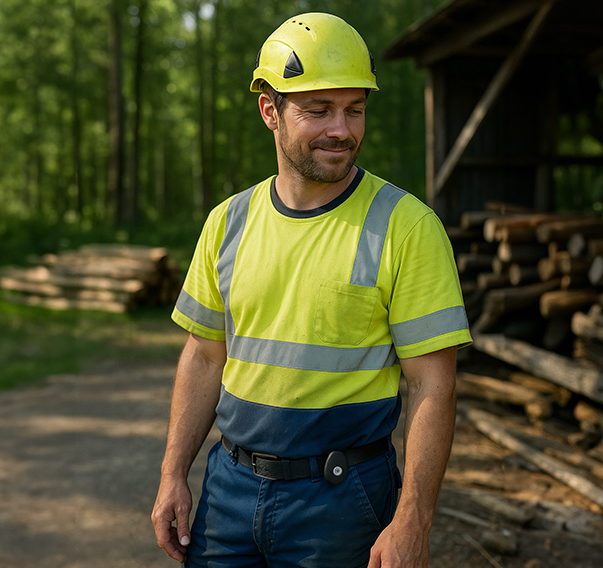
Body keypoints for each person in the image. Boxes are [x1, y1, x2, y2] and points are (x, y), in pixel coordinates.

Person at [151, 11, 472, 568]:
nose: (341, 129)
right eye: (318, 110)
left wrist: (412, 520)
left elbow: (432, 384)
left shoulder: (406, 227)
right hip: (228, 492)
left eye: (355, 109)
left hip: (344, 501)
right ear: (269, 111)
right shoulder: (227, 223)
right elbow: (204, 357)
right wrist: (173, 473)